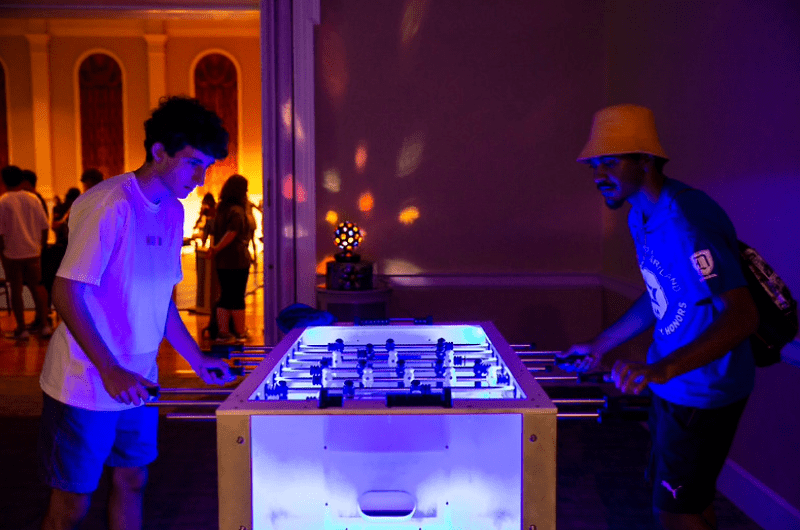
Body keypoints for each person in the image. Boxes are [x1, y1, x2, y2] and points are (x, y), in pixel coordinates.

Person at [37, 96, 235, 530]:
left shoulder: (174, 211)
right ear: (158, 152)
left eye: (207, 167)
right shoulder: (110, 203)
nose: (200, 178)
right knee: (73, 503)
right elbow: (66, 290)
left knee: (133, 479)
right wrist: (109, 369)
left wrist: (196, 359)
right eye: (192, 164)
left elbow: (162, 298)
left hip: (138, 376)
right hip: (86, 381)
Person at [559, 104, 758, 530]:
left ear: (646, 161)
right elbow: (660, 296)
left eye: (610, 162)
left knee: (673, 515)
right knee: (691, 504)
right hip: (675, 386)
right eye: (594, 165)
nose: (598, 175)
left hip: (704, 391)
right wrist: (600, 345)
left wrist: (659, 368)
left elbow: (742, 317)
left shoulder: (686, 219)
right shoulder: (639, 216)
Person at [0, 165, 51, 339]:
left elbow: (1, 231)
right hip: (33, 251)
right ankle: (44, 325)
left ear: (4, 181)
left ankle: (21, 329)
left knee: (16, 290)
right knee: (37, 287)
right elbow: (45, 226)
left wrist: (2, 251)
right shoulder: (33, 198)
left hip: (12, 252)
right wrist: (41, 246)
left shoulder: (3, 201)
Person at [206, 174, 256, 341]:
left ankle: (223, 332)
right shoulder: (237, 210)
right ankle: (240, 332)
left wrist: (216, 249)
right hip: (237, 258)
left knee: (226, 296)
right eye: (245, 190)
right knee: (237, 296)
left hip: (222, 260)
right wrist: (217, 247)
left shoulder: (222, 208)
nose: (247, 193)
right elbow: (233, 232)